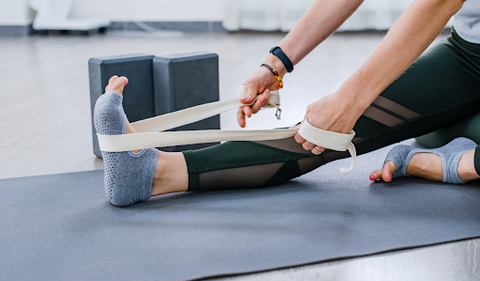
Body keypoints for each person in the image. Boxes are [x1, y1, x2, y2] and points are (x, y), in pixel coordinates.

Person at [94, 0, 480, 206]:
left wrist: (349, 99)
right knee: (321, 136)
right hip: (469, 55)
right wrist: (276, 63)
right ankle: (157, 172)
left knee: (436, 131)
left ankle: (454, 162)